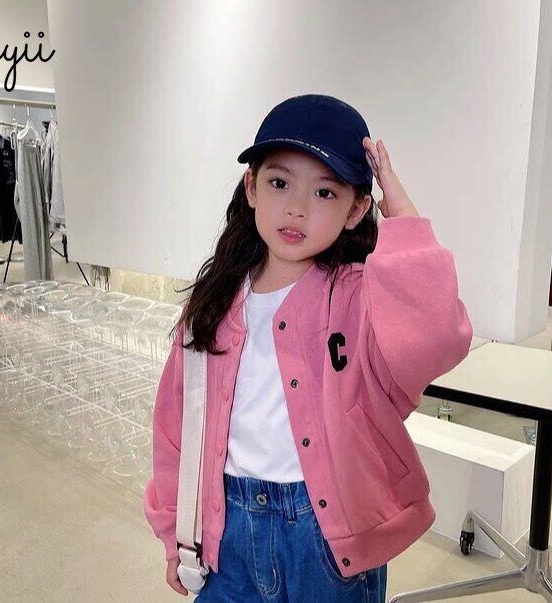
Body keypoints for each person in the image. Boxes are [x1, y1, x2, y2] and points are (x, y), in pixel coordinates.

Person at [144, 94, 474, 601]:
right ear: (251, 187)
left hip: (325, 541)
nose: (296, 208)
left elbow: (437, 338)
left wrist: (402, 216)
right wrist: (176, 532)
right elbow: (176, 426)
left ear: (355, 209)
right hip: (225, 531)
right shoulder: (212, 305)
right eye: (279, 183)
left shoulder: (360, 296)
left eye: (324, 193)